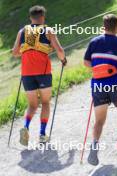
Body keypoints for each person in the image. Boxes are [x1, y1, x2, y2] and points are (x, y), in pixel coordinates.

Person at [83, 14, 117, 166]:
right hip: (114, 81)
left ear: (103, 27)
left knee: (99, 120)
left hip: (98, 83)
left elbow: (86, 62)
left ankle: (94, 146)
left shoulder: (94, 42)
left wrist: (99, 68)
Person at [12, 5, 67, 146]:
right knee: (45, 103)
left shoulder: (22, 31)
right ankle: (42, 134)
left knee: (32, 104)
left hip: (27, 73)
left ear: (30, 18)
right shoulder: (47, 30)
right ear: (43, 17)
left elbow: (15, 52)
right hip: (43, 73)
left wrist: (28, 52)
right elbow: (59, 50)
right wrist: (63, 60)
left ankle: (26, 126)